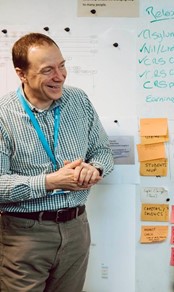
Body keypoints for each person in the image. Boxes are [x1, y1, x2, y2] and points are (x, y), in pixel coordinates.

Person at [0, 33, 114, 291]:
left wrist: (93, 168)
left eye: (62, 66)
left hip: (77, 229)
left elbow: (103, 151)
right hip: (25, 234)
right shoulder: (3, 115)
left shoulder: (79, 100)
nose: (60, 76)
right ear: (22, 74)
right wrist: (50, 182)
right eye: (48, 70)